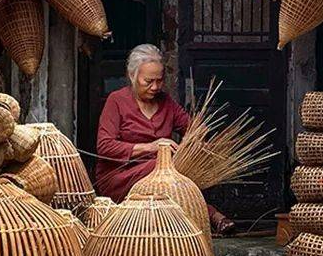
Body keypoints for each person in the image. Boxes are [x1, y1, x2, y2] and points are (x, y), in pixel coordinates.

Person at [95, 44, 235, 235]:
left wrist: (198, 137)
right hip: (119, 177)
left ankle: (205, 217)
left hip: (161, 174)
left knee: (168, 173)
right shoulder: (116, 101)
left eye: (159, 81)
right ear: (132, 75)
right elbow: (105, 146)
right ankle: (211, 215)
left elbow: (191, 126)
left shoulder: (165, 102)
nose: (155, 87)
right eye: (148, 81)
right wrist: (152, 148)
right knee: (164, 170)